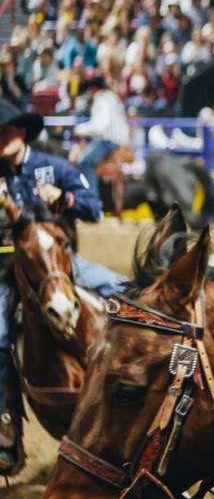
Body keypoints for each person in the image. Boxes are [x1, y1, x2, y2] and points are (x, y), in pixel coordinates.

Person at [0, 99, 126, 473]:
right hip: (8, 271)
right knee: (0, 337)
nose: (0, 138)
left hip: (59, 263)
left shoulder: (52, 168)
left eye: (6, 131)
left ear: (21, 132)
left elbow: (93, 207)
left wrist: (64, 198)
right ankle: (8, 431)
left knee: (123, 287)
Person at [72, 76, 130, 190]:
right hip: (119, 140)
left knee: (84, 161)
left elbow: (99, 127)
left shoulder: (101, 99)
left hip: (108, 141)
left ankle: (91, 194)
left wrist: (78, 129)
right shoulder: (113, 97)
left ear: (94, 88)